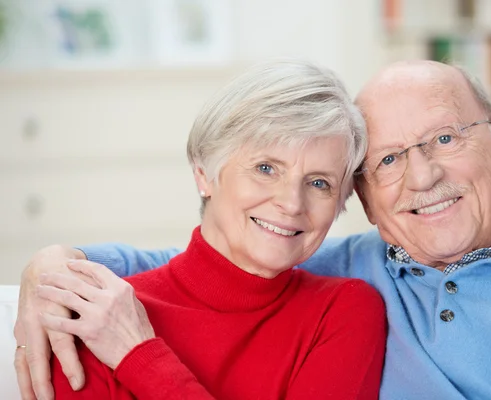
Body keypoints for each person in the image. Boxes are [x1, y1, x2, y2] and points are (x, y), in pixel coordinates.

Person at [16, 60, 491, 399]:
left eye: (445, 138)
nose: (423, 176)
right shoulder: (340, 265)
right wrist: (52, 265)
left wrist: (138, 356)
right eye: (389, 160)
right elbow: (204, 268)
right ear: (366, 200)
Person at [14, 59, 387, 399]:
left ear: (340, 204)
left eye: (319, 183)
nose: (291, 203)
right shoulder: (98, 317)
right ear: (204, 174)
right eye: (266, 168)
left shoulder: (345, 312)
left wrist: (138, 355)